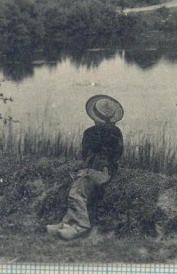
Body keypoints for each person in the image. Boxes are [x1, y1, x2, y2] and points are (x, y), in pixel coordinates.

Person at [46, 95, 124, 241]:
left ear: (94, 116)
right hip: (107, 170)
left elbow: (86, 154)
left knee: (77, 191)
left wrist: (89, 169)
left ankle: (80, 225)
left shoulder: (90, 132)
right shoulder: (116, 132)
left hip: (100, 172)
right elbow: (116, 155)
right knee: (77, 184)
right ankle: (66, 222)